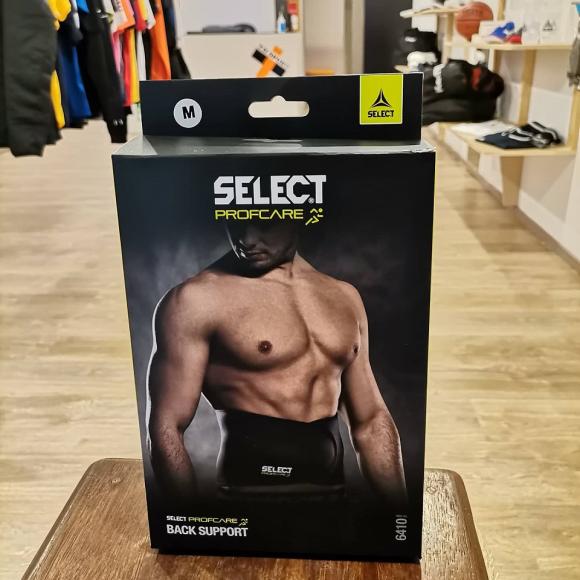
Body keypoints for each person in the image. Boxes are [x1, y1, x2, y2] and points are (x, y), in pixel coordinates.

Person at [147, 220, 406, 507]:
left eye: (263, 224)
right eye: (236, 224)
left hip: (333, 501)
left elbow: (370, 422)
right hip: (248, 502)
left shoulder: (345, 297)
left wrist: (398, 515)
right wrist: (190, 518)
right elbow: (166, 427)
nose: (247, 239)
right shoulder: (195, 299)